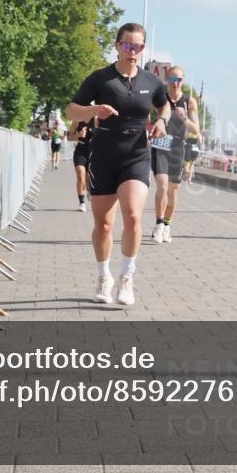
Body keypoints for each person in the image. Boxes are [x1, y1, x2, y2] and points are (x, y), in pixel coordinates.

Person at [66, 23, 170, 306]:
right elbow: (71, 109)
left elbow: (164, 105)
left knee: (134, 216)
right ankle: (104, 276)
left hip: (136, 154)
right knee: (103, 225)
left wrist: (162, 120)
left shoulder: (152, 82)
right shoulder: (100, 79)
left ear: (143, 49)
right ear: (117, 45)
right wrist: (92, 110)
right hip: (103, 155)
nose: (132, 51)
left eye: (137, 46)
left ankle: (126, 277)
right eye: (127, 45)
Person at [150, 67, 200, 243]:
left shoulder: (189, 102)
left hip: (178, 146)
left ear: (183, 81)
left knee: (172, 192)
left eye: (178, 79)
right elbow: (145, 116)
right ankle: (158, 225)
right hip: (161, 143)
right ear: (167, 80)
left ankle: (167, 225)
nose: (175, 83)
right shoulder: (160, 97)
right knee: (162, 186)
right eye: (172, 79)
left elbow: (197, 130)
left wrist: (184, 118)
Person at [69, 118, 95, 212]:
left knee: (89, 176)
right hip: (80, 151)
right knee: (81, 176)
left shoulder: (96, 120)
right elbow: (69, 137)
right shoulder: (76, 121)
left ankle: (89, 189)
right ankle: (81, 202)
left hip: (93, 151)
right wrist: (79, 135)